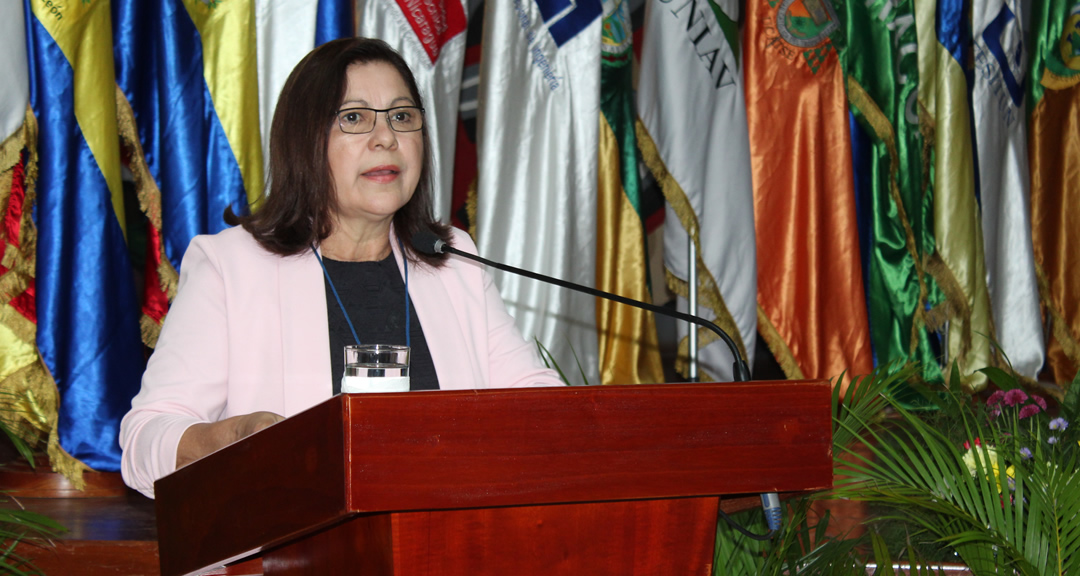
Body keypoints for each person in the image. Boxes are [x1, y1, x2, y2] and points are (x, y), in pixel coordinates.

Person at [119, 38, 564, 498]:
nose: (386, 137)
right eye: (354, 118)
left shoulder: (452, 261)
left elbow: (537, 407)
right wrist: (229, 440)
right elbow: (142, 443)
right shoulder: (232, 267)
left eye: (402, 116)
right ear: (306, 140)